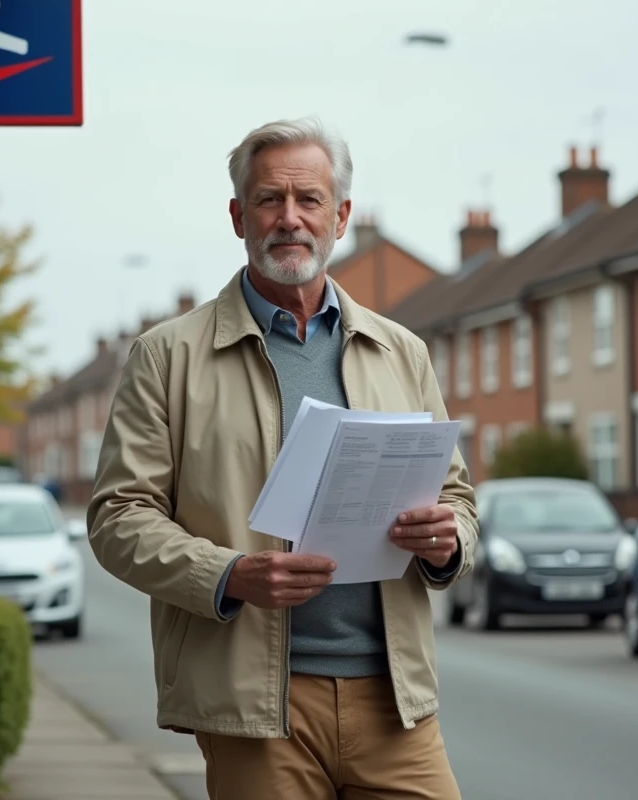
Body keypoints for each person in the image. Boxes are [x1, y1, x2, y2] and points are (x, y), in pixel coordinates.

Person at [87, 117, 478, 799]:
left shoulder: (402, 351)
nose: (289, 219)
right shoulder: (166, 357)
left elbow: (459, 499)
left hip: (397, 702)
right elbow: (118, 518)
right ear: (239, 216)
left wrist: (447, 540)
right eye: (270, 200)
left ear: (342, 217)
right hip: (257, 709)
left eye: (310, 201)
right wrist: (229, 573)